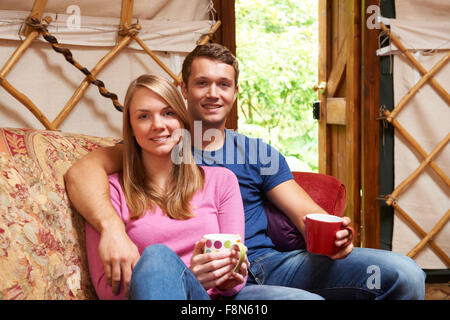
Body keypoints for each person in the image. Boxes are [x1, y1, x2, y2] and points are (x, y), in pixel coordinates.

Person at [65, 44, 426, 300]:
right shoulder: (160, 141)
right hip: (199, 272)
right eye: (201, 82)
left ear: (235, 93)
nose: (213, 93)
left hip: (269, 263)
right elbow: (83, 172)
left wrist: (336, 238)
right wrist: (112, 227)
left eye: (224, 84)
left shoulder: (256, 153)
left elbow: (306, 216)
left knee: (405, 275)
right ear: (183, 90)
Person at [86, 74, 250, 299]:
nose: (158, 125)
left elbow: (234, 280)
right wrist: (180, 279)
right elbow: (107, 291)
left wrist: (227, 275)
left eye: (168, 113)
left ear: (181, 121)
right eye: (144, 116)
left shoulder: (222, 181)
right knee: (156, 258)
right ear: (131, 128)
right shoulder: (110, 192)